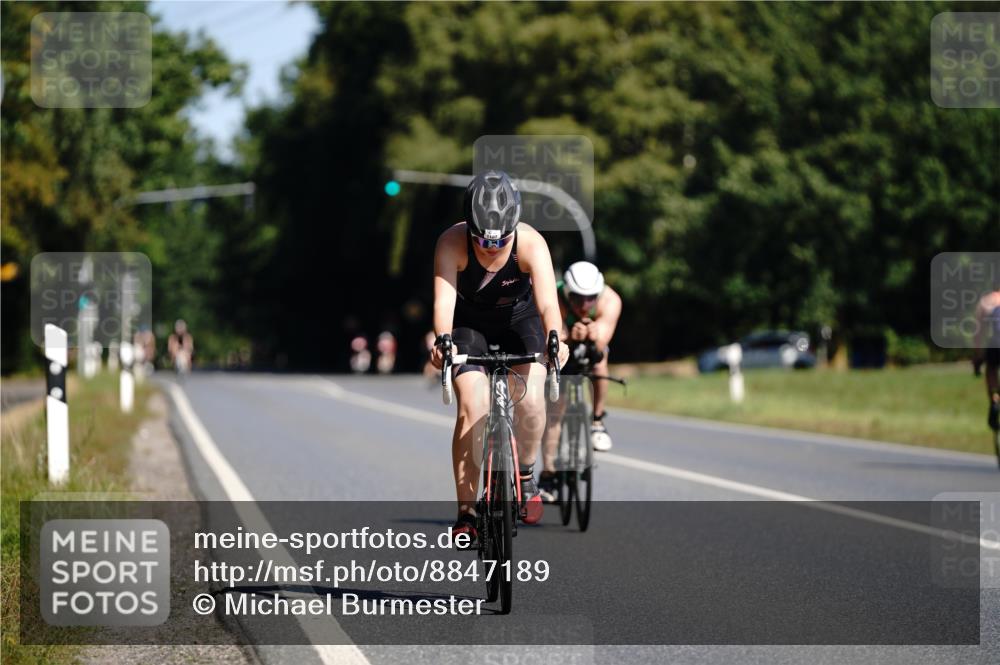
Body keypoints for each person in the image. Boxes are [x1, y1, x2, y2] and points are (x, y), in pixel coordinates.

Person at [429, 170, 568, 543]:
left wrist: (556, 338)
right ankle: (466, 512)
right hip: (469, 327)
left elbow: (547, 305)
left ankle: (524, 474)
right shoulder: (451, 243)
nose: (491, 248)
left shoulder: (531, 243)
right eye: (482, 240)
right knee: (471, 410)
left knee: (533, 401)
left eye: (501, 240)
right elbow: (443, 303)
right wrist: (442, 342)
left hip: (519, 323)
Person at [539, 261, 622, 501]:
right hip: (562, 348)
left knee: (600, 362)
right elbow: (551, 334)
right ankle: (548, 474)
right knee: (554, 412)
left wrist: (594, 335)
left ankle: (597, 420)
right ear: (567, 292)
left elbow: (602, 341)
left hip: (592, 351)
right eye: (577, 298)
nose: (584, 305)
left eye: (590, 298)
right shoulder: (554, 295)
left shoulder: (610, 300)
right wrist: (568, 335)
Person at [973, 284, 1000, 431]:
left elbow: (978, 333)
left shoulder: (986, 301)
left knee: (991, 369)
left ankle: (995, 399)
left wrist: (977, 357)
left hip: (996, 344)